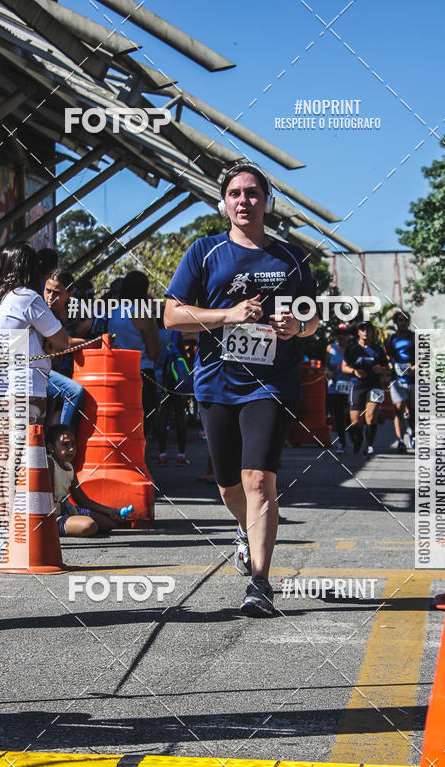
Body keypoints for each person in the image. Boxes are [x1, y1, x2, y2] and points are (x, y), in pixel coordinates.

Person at [164, 160, 319, 617]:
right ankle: (245, 530)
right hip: (216, 382)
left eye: (252, 193)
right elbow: (172, 316)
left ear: (267, 202)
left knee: (259, 479)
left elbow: (313, 318)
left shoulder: (290, 257)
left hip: (271, 382)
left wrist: (298, 326)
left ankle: (260, 583)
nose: (244, 200)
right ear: (223, 203)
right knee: (230, 486)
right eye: (235, 193)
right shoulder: (205, 251)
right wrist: (228, 315)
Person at [0, 243, 69, 424]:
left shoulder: (0, 298)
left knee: (8, 442)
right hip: (24, 389)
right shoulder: (28, 298)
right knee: (29, 442)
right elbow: (62, 341)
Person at [106, 271, 160, 435]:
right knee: (141, 430)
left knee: (121, 428)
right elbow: (154, 352)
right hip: (142, 374)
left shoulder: (113, 312)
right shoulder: (143, 314)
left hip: (118, 374)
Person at [46, 424, 122, 536]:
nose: (71, 449)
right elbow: (48, 499)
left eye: (73, 444)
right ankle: (60, 527)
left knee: (111, 522)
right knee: (89, 526)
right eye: (65, 444)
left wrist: (108, 510)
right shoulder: (50, 463)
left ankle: (74, 524)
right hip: (54, 517)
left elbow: (82, 500)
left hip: (67, 510)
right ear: (51, 447)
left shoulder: (69, 467)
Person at [44, 269, 89, 431]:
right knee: (74, 392)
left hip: (67, 373)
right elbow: (63, 344)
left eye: (57, 293)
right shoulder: (43, 312)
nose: (50, 297)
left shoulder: (76, 314)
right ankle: (63, 437)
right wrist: (94, 342)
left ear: (70, 293)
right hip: (45, 373)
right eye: (48, 291)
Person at [342, 320, 390, 458]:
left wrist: (381, 369)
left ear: (372, 332)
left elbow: (387, 369)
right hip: (357, 385)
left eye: (368, 329)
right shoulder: (352, 348)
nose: (365, 332)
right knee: (356, 421)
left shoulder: (378, 349)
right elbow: (344, 367)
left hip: (374, 385)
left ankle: (369, 445)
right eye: (362, 329)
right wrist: (355, 372)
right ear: (358, 332)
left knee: (371, 416)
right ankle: (358, 439)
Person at [155, 325, 190, 466]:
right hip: (176, 381)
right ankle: (181, 455)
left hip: (159, 379)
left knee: (162, 417)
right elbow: (182, 356)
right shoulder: (175, 333)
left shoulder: (154, 332)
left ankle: (162, 454)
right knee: (180, 416)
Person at [385, 310, 416, 452]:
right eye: (400, 320)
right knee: (399, 409)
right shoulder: (390, 340)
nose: (402, 323)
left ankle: (413, 432)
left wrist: (415, 367)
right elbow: (386, 357)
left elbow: (427, 356)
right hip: (396, 380)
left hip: (413, 380)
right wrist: (389, 365)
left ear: (408, 322)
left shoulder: (415, 338)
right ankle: (401, 441)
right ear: (395, 322)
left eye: (405, 320)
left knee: (413, 411)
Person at [325, 323, 351, 454]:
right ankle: (342, 442)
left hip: (350, 385)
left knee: (350, 414)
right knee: (339, 415)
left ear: (348, 335)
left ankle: (355, 436)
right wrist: (328, 372)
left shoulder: (353, 348)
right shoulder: (330, 348)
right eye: (339, 333)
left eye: (344, 333)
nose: (341, 336)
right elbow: (326, 365)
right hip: (335, 386)